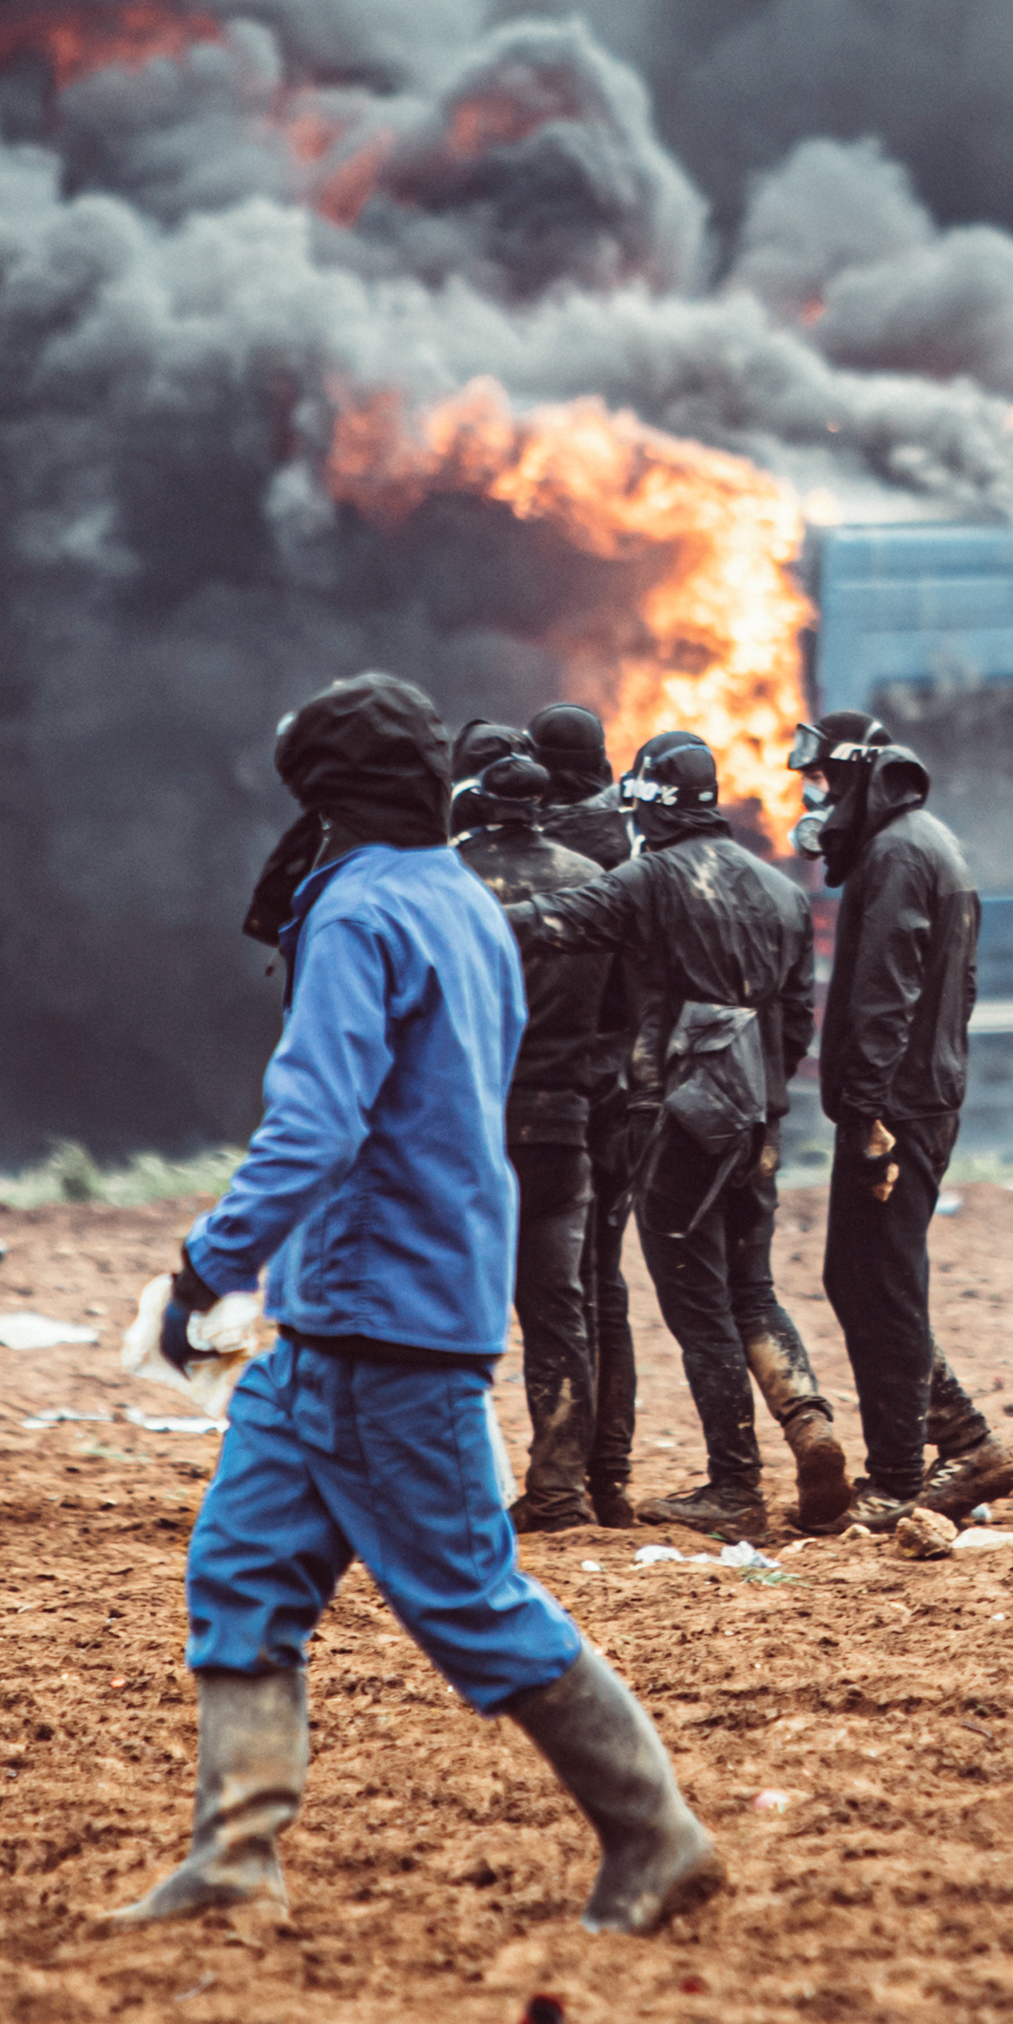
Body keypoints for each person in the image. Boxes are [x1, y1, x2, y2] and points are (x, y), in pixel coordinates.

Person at [116, 673, 718, 1935]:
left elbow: (316, 1124)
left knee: (473, 1601)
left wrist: (202, 1271)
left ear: (327, 798)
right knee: (240, 1568)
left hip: (379, 1318)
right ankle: (234, 1860)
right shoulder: (455, 898)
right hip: (350, 1318)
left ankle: (656, 1831)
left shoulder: (355, 912)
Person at [505, 732, 853, 1538]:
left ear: (652, 806)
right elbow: (799, 1020)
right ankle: (810, 1425)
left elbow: (555, 921)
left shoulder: (652, 877)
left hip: (687, 1115)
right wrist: (761, 1100)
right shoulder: (780, 891)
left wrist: (446, 907)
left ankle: (734, 1485)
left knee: (693, 1292)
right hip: (762, 1114)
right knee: (751, 1285)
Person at [802, 711, 1013, 1528]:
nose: (817, 802)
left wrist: (866, 1114)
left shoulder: (897, 855)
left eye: (822, 782)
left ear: (857, 776)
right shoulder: (924, 843)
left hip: (897, 1107)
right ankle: (964, 1440)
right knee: (860, 1279)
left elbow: (883, 997)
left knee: (879, 1284)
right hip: (917, 1096)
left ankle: (899, 1478)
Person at [450, 751, 622, 1531]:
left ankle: (456, 1487)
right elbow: (623, 1010)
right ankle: (560, 1492)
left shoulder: (447, 882)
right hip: (562, 1122)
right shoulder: (593, 878)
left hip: (467, 1130)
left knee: (451, 1312)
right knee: (561, 1312)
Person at [527, 701, 646, 1524]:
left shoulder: (539, 854)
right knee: (606, 1283)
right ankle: (610, 1478)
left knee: (557, 1290)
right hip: (630, 1088)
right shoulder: (632, 846)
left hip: (560, 1093)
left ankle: (564, 1479)